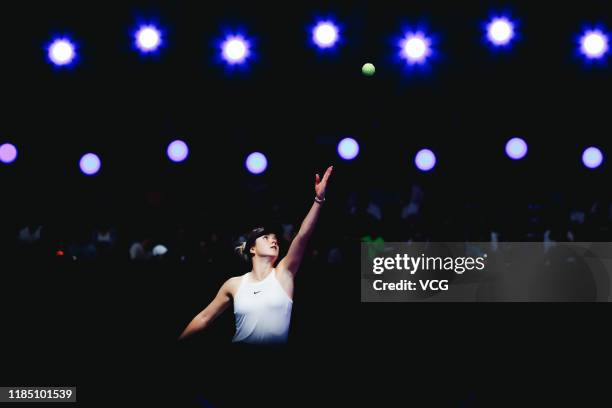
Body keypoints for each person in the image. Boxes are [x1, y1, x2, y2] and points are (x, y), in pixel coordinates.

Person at [178, 166, 333, 344]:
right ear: (252, 249)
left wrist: (318, 200)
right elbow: (205, 317)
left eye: (275, 239)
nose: (274, 241)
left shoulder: (284, 273)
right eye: (266, 238)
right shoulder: (234, 284)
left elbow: (303, 235)